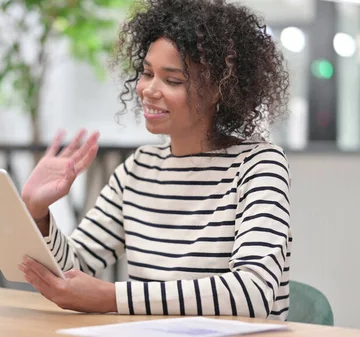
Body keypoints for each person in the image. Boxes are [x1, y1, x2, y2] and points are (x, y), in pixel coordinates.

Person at [18, 0, 292, 320]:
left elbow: (252, 293)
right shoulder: (139, 169)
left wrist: (112, 297)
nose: (149, 90)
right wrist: (38, 213)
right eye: (147, 73)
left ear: (219, 90)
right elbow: (74, 271)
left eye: (173, 80)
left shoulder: (259, 166)